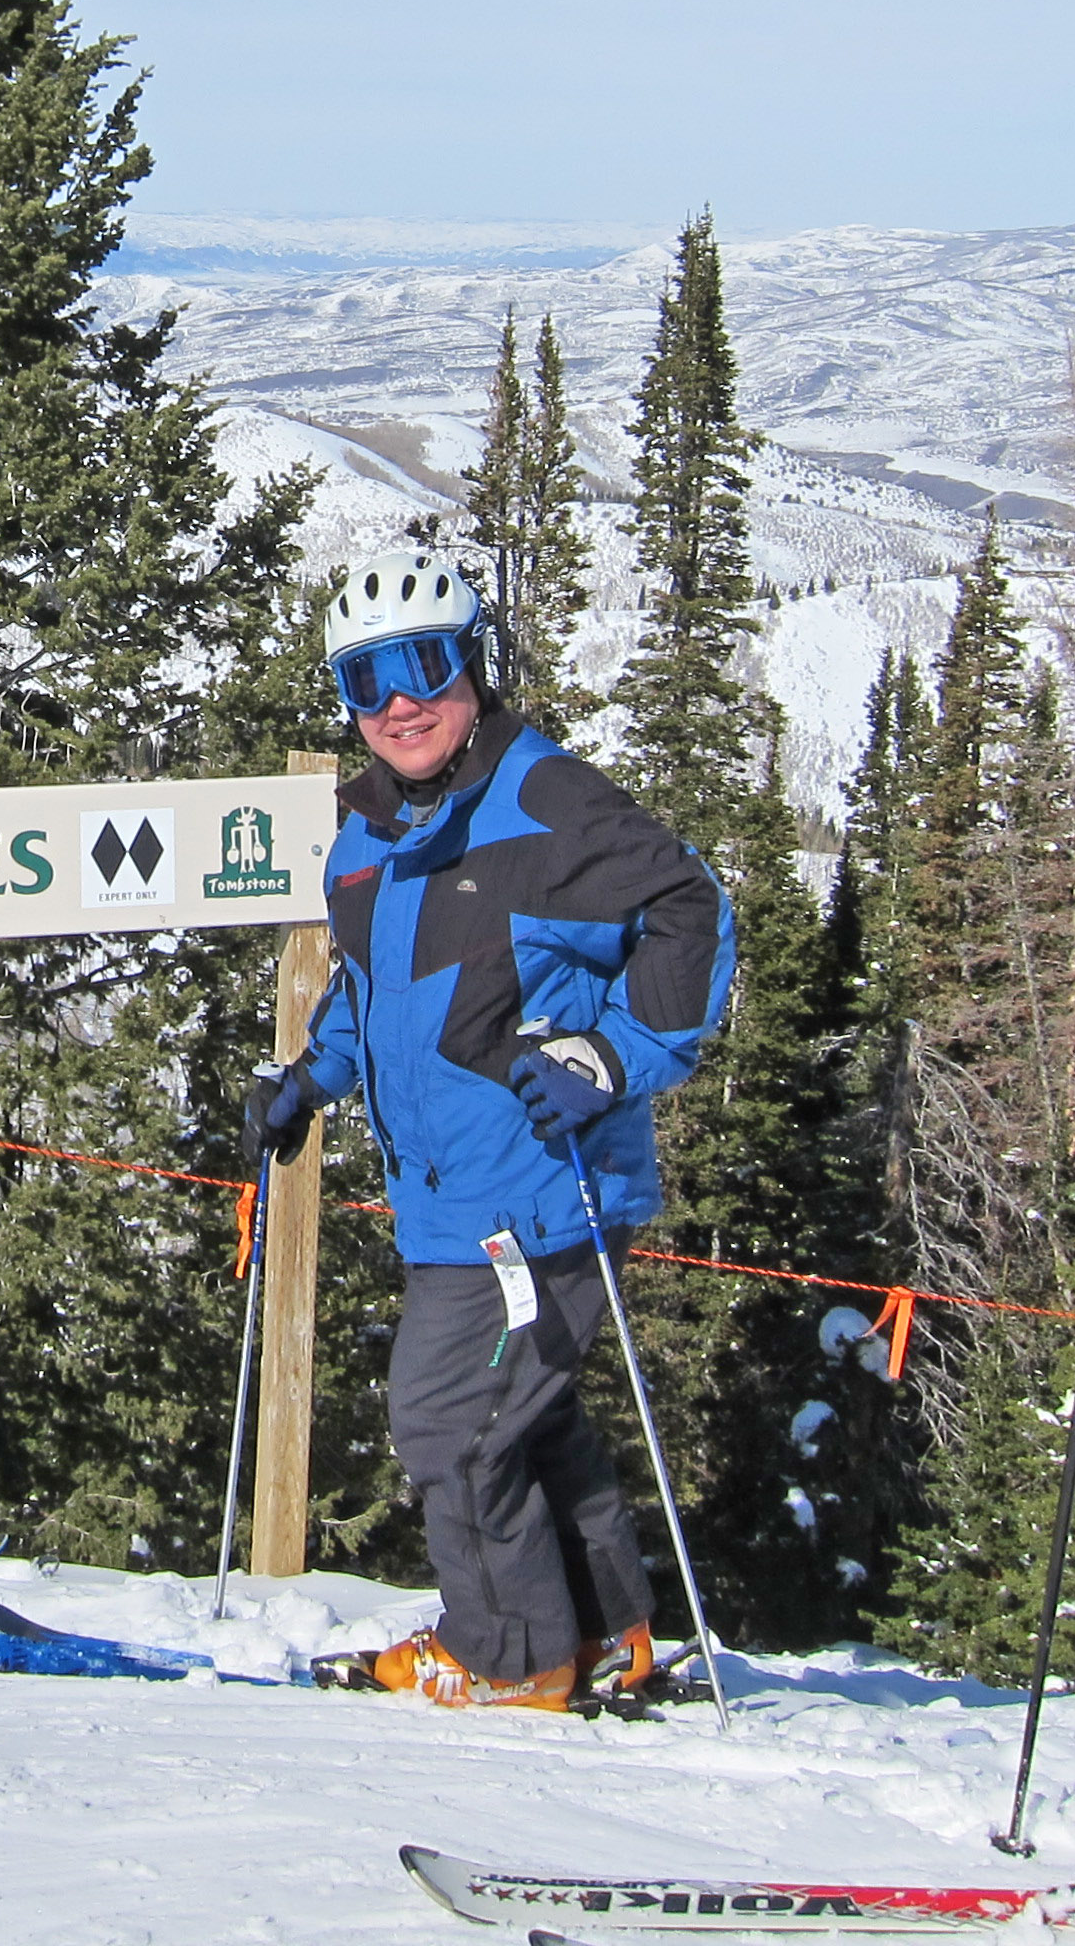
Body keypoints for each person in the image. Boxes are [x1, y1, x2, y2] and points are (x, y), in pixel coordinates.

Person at [247, 548, 731, 1712]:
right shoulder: (367, 832)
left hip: (543, 1191)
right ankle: (611, 1635)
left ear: (474, 664)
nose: (399, 703)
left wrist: (610, 1057)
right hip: (449, 1193)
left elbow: (691, 915)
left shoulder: (543, 802)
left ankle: (512, 1656)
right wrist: (312, 1080)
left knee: (450, 1421)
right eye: (367, 681)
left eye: (423, 665)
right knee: (528, 1417)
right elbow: (376, 989)